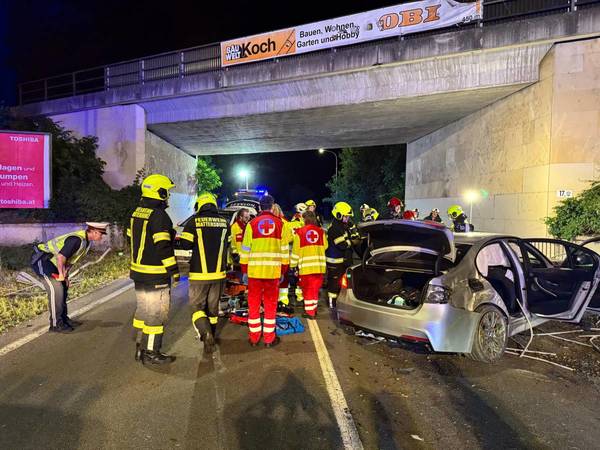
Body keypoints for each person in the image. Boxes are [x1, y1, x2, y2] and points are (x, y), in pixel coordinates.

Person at [128, 173, 180, 365]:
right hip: (155, 274)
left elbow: (131, 238)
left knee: (143, 310)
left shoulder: (137, 212)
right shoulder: (159, 216)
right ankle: (151, 352)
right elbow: (163, 247)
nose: (168, 195)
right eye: (166, 191)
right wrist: (174, 271)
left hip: (138, 273)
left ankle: (139, 346)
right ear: (160, 192)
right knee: (156, 313)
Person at [31, 222, 108, 333]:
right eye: (101, 234)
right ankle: (55, 325)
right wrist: (61, 275)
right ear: (94, 232)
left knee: (63, 287)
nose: (102, 237)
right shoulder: (76, 240)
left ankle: (64, 320)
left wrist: (65, 277)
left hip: (53, 263)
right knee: (56, 289)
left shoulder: (86, 242)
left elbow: (70, 261)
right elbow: (61, 257)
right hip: (43, 259)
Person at [179, 193, 229, 354]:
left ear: (199, 205)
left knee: (197, 308)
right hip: (219, 274)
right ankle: (211, 337)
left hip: (199, 274)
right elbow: (228, 245)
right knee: (212, 310)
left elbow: (185, 245)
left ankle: (205, 333)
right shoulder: (225, 223)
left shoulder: (193, 222)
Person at [240, 194, 290, 347]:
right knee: (270, 305)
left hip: (254, 272)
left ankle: (254, 338)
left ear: (259, 207)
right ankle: (269, 338)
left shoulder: (251, 224)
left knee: (254, 304)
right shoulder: (281, 224)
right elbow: (285, 250)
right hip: (273, 272)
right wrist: (283, 270)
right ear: (272, 206)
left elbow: (245, 250)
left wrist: (244, 270)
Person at [290, 211, 327, 319]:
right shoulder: (320, 231)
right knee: (315, 290)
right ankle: (313, 309)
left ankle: (310, 312)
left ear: (304, 219)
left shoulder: (300, 232)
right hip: (319, 267)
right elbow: (325, 246)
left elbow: (295, 251)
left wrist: (293, 265)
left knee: (307, 290)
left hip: (306, 267)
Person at [325, 201, 356, 308]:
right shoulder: (334, 229)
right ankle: (332, 304)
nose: (348, 218)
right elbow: (342, 245)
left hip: (341, 261)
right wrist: (352, 242)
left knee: (341, 283)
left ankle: (339, 302)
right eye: (346, 216)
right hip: (335, 262)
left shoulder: (342, 226)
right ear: (339, 215)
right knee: (333, 284)